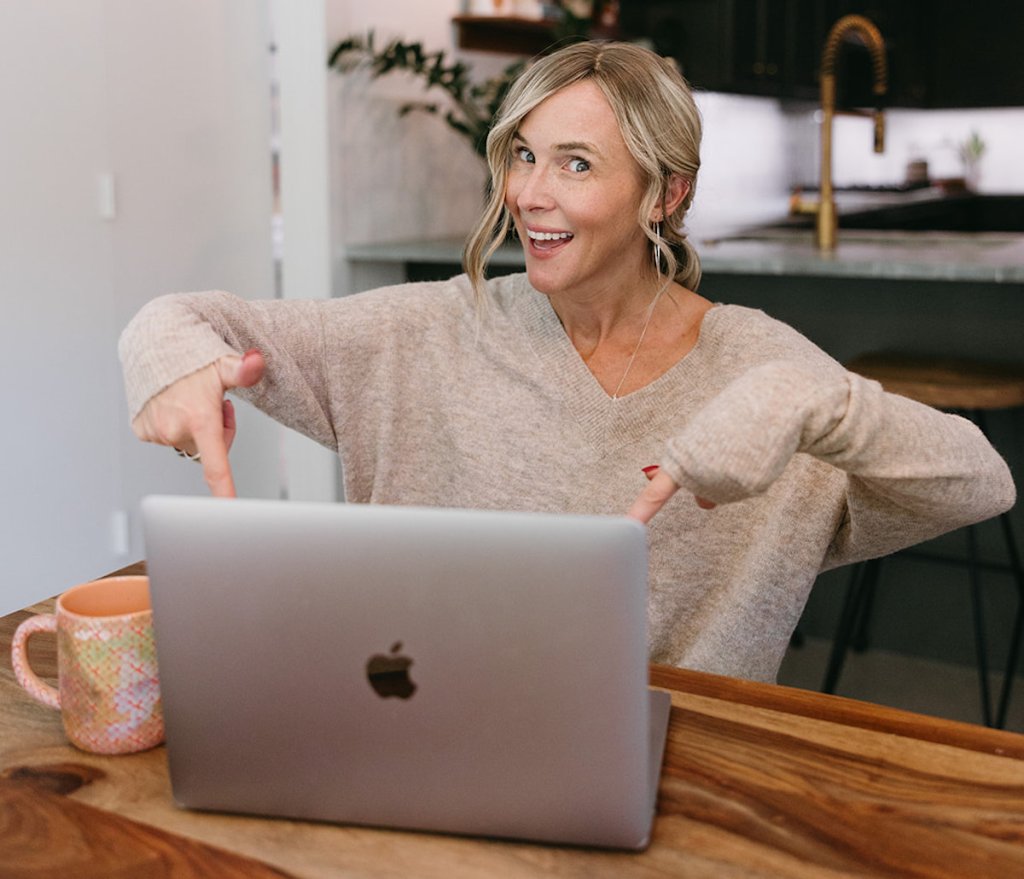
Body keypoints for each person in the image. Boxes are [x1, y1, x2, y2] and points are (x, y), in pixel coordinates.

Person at [120, 40, 1014, 682]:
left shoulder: (760, 371)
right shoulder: (427, 331)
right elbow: (192, 317)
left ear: (665, 195)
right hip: (423, 731)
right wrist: (170, 359)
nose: (528, 194)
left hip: (691, 772)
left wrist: (816, 405)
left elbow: (981, 483)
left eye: (576, 164)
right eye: (522, 155)